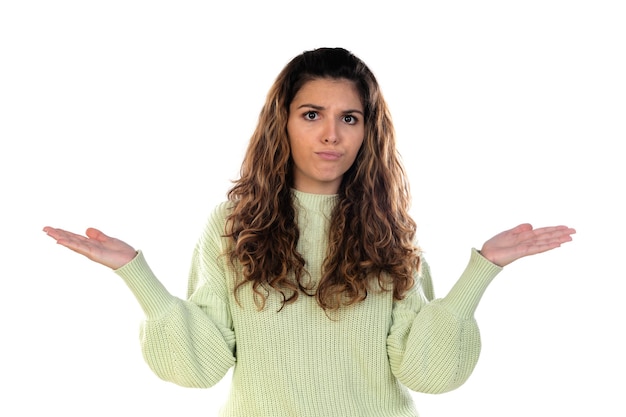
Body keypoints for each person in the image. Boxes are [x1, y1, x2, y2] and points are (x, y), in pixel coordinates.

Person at [43, 47, 575, 417]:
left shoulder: (388, 230)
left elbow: (428, 371)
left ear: (369, 130)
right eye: (312, 114)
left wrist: (483, 268)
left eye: (350, 118)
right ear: (284, 121)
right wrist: (135, 273)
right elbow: (201, 364)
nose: (330, 134)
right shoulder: (234, 224)